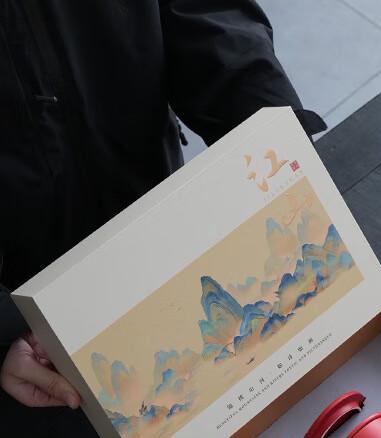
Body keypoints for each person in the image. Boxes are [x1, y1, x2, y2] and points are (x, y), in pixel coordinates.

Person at [0, 0, 324, 409]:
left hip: (157, 211)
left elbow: (205, 14)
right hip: (29, 327)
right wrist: (5, 326)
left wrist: (272, 141)